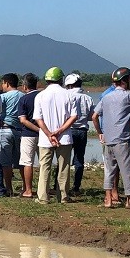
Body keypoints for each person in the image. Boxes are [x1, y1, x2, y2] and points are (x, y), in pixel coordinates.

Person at [91, 68, 130, 209]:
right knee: (126, 170)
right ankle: (129, 200)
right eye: (129, 80)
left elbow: (94, 116)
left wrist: (100, 132)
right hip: (122, 140)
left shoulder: (106, 97)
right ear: (124, 81)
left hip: (108, 140)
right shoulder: (129, 95)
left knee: (109, 170)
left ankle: (108, 200)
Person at [33, 66, 77, 203]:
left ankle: (43, 197)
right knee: (64, 167)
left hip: (45, 139)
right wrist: (59, 131)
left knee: (44, 167)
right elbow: (74, 116)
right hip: (64, 138)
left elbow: (38, 118)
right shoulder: (69, 95)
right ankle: (63, 196)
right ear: (61, 79)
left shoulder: (40, 96)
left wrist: (49, 134)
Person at [64, 73, 94, 196]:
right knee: (79, 159)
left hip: (68, 130)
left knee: (63, 158)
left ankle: (59, 185)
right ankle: (76, 187)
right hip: (82, 131)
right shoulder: (88, 98)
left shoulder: (67, 96)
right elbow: (92, 117)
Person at [16, 73, 41, 198]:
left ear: (25, 86)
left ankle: (28, 190)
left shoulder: (24, 99)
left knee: (27, 162)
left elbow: (23, 120)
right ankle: (43, 189)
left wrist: (36, 129)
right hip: (44, 135)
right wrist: (42, 130)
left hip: (28, 134)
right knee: (44, 162)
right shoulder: (42, 96)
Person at [0, 73, 22, 197]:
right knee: (22, 161)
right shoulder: (23, 96)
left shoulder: (3, 97)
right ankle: (25, 187)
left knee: (5, 162)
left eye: (2, 83)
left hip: (5, 129)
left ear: (7, 83)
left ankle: (9, 188)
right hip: (20, 131)